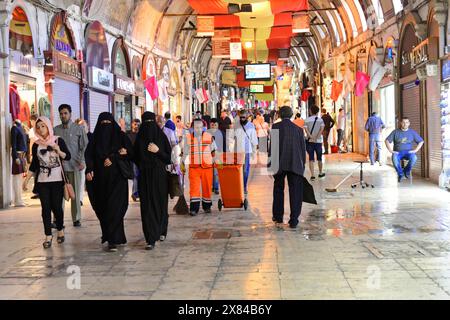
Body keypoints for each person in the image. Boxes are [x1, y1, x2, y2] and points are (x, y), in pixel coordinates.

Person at [85, 112, 134, 252]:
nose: (106, 126)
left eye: (108, 123)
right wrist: (90, 169)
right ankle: (111, 236)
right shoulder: (95, 139)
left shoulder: (121, 136)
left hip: (118, 180)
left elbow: (131, 153)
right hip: (100, 181)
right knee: (104, 208)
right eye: (103, 123)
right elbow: (89, 155)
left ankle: (113, 239)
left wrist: (116, 156)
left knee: (116, 208)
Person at [23, 117, 71, 249]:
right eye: (38, 127)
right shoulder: (36, 145)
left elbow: (68, 156)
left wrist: (58, 150)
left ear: (48, 126)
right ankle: (48, 235)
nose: (40, 129)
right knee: (45, 208)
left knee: (57, 207)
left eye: (43, 126)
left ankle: (60, 229)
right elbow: (34, 165)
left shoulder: (58, 140)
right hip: (42, 181)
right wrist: (26, 180)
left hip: (57, 180)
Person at [134, 112, 172, 250]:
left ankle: (162, 229)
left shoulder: (161, 137)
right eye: (146, 122)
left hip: (160, 176)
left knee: (160, 203)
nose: (148, 125)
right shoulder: (139, 139)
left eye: (151, 121)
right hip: (145, 177)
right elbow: (135, 157)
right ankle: (150, 238)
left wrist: (158, 151)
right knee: (147, 206)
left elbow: (168, 158)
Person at [269, 106, 306, 229]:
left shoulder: (275, 127)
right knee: (295, 191)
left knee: (278, 189)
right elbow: (302, 149)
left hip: (279, 163)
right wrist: (303, 165)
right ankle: (294, 220)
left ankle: (278, 217)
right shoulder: (298, 129)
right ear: (291, 115)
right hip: (295, 163)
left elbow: (272, 148)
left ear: (279, 115)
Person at [54, 104, 88, 227]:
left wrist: (83, 161)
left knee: (75, 194)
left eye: (65, 113)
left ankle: (76, 218)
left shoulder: (79, 129)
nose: (63, 115)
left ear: (70, 114)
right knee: (58, 195)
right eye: (61, 113)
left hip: (75, 166)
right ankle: (58, 219)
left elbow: (84, 146)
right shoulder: (55, 130)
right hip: (59, 168)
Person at [184, 119, 217, 216]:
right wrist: (181, 163)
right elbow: (185, 152)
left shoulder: (209, 137)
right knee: (194, 189)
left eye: (200, 127)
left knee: (207, 188)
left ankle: (207, 207)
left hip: (207, 168)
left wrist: (217, 162)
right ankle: (194, 209)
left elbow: (214, 151)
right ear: (193, 128)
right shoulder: (188, 138)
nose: (198, 129)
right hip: (194, 168)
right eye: (196, 127)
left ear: (203, 127)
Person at [385, 117, 424, 183]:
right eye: (403, 122)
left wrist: (415, 150)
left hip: (409, 152)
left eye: (406, 122)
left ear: (409, 123)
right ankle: (400, 174)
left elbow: (421, 141)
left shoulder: (412, 132)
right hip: (398, 152)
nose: (405, 124)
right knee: (394, 158)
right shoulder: (395, 132)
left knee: (414, 157)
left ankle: (406, 171)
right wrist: (390, 150)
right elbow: (387, 140)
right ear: (400, 123)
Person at [233, 110, 258, 195]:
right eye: (241, 117)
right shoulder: (236, 125)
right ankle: (238, 186)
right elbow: (232, 137)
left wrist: (254, 152)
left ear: (247, 117)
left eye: (243, 117)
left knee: (245, 171)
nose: (242, 119)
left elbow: (254, 140)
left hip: (247, 151)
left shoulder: (251, 126)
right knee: (237, 170)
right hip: (237, 151)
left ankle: (244, 186)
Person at [305, 105, 326, 180]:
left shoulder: (307, 120)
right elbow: (321, 129)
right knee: (319, 158)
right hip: (318, 141)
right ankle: (320, 173)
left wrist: (310, 136)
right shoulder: (320, 120)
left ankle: (312, 175)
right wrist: (317, 137)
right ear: (317, 112)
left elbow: (306, 129)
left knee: (311, 158)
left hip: (310, 141)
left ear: (310, 111)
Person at [11, 120, 28, 207]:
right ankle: (17, 200)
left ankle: (19, 199)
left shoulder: (20, 127)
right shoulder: (14, 128)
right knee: (16, 179)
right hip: (18, 155)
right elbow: (13, 144)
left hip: (22, 155)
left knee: (20, 178)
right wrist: (15, 157)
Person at [127, 119, 141, 202]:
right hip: (132, 158)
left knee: (137, 176)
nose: (137, 126)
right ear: (132, 124)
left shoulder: (141, 134)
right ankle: (135, 193)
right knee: (135, 175)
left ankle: (136, 192)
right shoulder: (128, 134)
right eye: (135, 124)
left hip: (139, 158)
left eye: (138, 124)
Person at [210, 118, 223, 195]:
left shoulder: (221, 133)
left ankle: (216, 187)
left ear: (217, 125)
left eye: (215, 125)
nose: (214, 126)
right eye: (212, 125)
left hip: (219, 155)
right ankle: (213, 186)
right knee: (211, 172)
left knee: (217, 172)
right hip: (209, 155)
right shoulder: (207, 133)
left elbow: (225, 145)